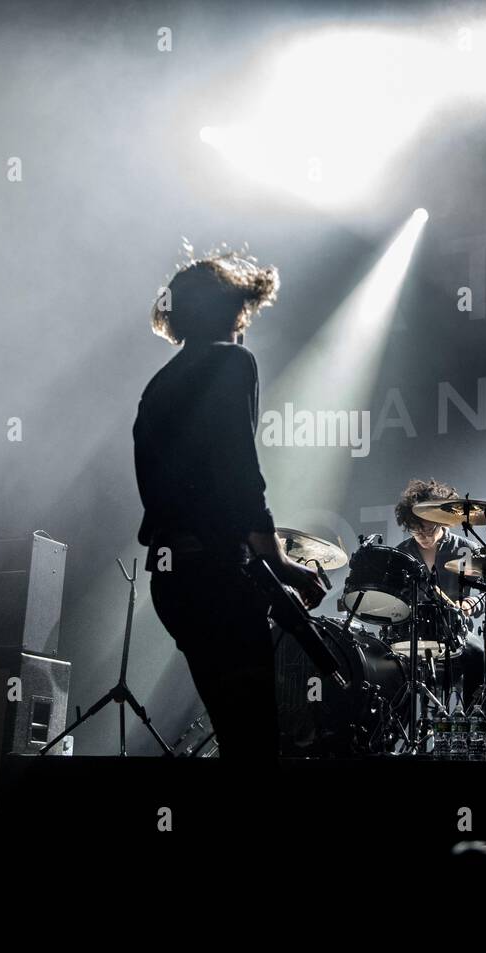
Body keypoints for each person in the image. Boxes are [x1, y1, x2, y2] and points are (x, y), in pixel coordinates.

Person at [133, 247, 325, 759]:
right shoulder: (232, 360)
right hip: (215, 577)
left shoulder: (158, 387)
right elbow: (239, 471)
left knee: (238, 741)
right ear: (235, 310)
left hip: (173, 581)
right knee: (256, 747)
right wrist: (277, 559)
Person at [392, 477, 486, 706]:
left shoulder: (466, 549)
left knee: (479, 654)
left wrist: (472, 604)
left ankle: (473, 719)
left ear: (443, 521)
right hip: (413, 632)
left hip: (458, 632)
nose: (422, 537)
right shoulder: (401, 555)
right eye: (416, 532)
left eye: (427, 530)